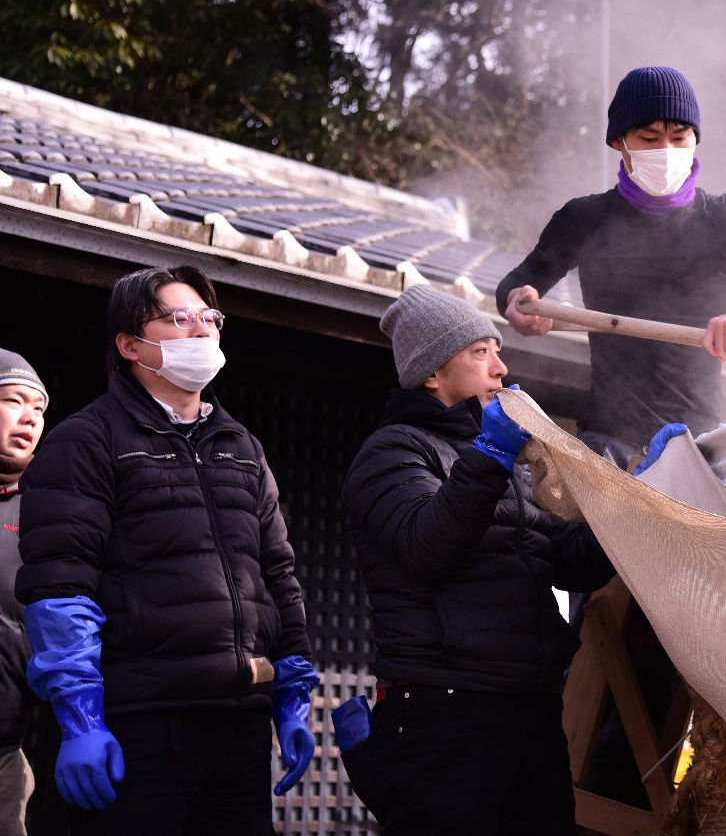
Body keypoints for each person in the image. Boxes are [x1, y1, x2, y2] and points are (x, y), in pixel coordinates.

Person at [14, 266, 316, 835]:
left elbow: (278, 576)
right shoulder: (88, 439)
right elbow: (60, 584)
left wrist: (292, 693)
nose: (201, 332)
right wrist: (82, 720)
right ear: (130, 344)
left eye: (210, 319)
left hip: (240, 728)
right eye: (180, 318)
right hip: (142, 727)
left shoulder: (242, 446)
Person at [341, 284, 616, 834]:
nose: (501, 366)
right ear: (431, 375)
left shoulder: (507, 462)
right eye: (480, 351)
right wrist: (488, 457)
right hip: (445, 713)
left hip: (531, 709)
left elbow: (568, 562)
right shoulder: (393, 451)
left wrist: (625, 506)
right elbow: (427, 547)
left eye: (496, 349)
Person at [498, 65, 726, 467]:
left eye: (679, 138)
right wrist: (520, 305)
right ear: (619, 142)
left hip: (696, 448)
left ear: (696, 140)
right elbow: (516, 285)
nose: (666, 151)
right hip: (604, 444)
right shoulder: (584, 219)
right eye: (649, 139)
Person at [0, 351, 48, 835]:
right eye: (14, 400)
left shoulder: (47, 512)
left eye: (39, 408)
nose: (30, 416)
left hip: (5, 753)